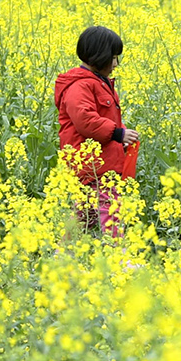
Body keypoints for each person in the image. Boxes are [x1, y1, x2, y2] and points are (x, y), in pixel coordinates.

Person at [55, 25, 137, 233]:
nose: (116, 64)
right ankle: (120, 258)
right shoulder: (79, 86)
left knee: (85, 215)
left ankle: (63, 259)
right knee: (110, 210)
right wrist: (117, 134)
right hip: (92, 163)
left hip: (97, 161)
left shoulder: (98, 83)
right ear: (101, 56)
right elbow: (85, 120)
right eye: (113, 58)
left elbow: (105, 117)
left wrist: (122, 134)